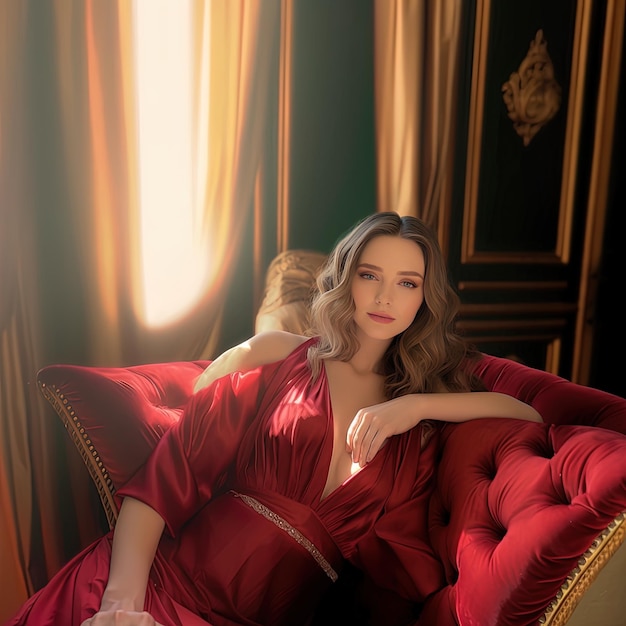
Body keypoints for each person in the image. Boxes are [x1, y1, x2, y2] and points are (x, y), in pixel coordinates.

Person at [5, 212, 542, 626]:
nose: (384, 296)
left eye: (407, 282)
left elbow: (529, 412)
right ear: (345, 280)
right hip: (153, 591)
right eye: (369, 274)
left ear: (426, 297)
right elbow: (168, 476)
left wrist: (415, 405)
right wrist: (122, 600)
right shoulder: (285, 362)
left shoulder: (417, 423)